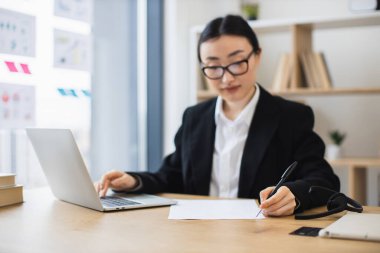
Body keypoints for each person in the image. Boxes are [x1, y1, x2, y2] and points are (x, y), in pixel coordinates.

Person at [95, 14, 340, 217]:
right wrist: (133, 181)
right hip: (198, 233)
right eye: (213, 67)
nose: (227, 78)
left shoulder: (291, 116)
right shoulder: (194, 117)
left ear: (257, 56)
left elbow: (324, 180)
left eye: (236, 62)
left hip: (260, 237)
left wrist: (295, 193)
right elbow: (172, 176)